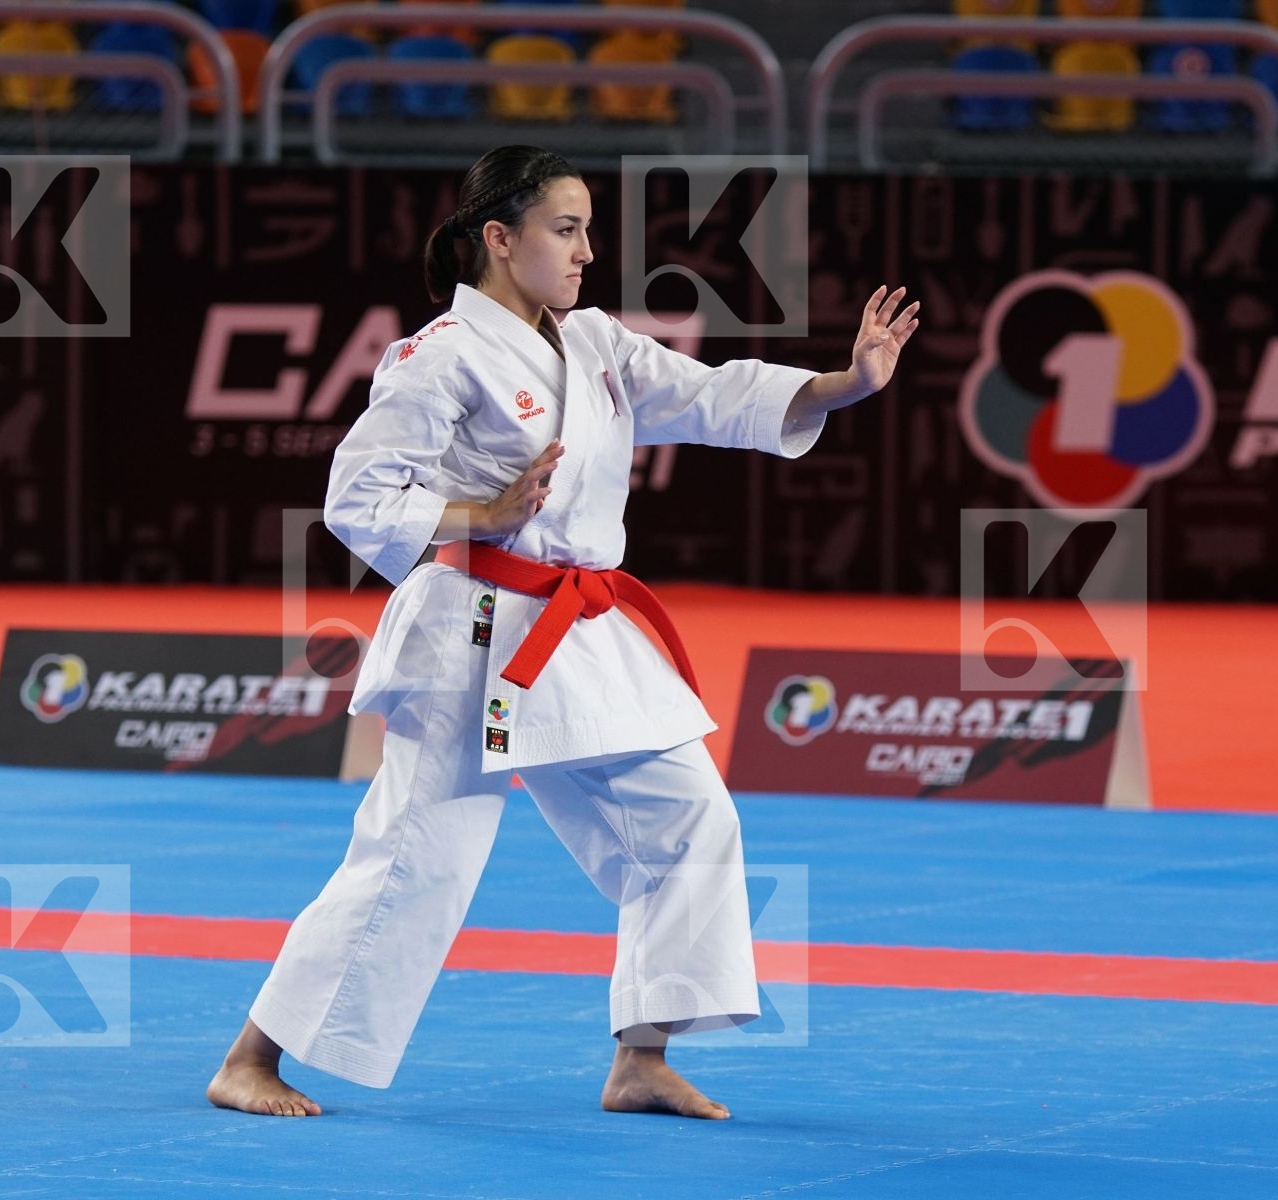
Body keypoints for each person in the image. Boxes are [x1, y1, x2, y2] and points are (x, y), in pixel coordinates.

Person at [208, 145, 919, 1121]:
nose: (587, 253)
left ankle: (641, 1057)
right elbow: (356, 499)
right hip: (470, 630)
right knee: (417, 855)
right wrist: (485, 507)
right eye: (566, 229)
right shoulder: (439, 356)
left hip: (581, 631)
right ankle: (250, 1059)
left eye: (589, 231)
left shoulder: (596, 345)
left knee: (691, 820)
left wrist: (845, 385)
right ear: (500, 239)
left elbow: (709, 396)